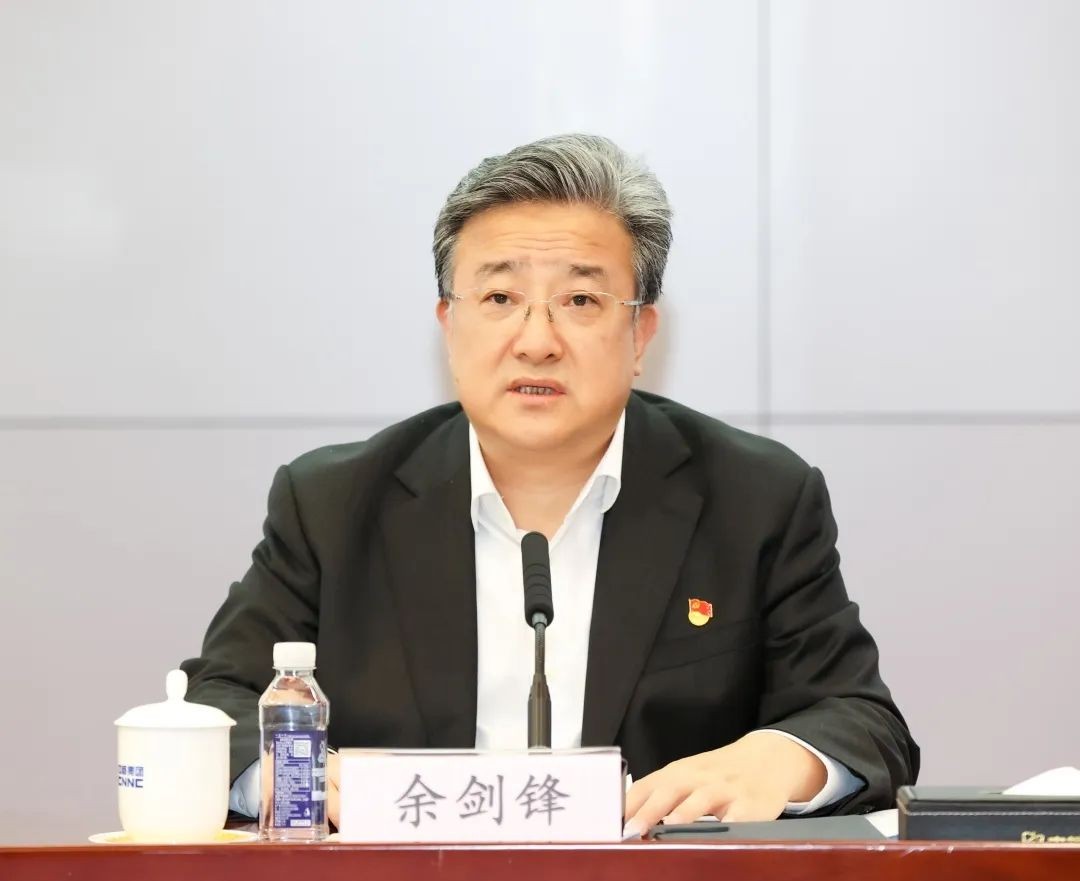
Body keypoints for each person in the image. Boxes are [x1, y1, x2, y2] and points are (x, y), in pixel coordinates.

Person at [182, 133, 918, 835]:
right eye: (500, 298)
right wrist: (285, 771)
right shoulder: (333, 503)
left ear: (640, 335)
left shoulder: (755, 499)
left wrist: (781, 759)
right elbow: (215, 703)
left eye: (581, 301)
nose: (536, 341)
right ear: (449, 325)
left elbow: (860, 720)